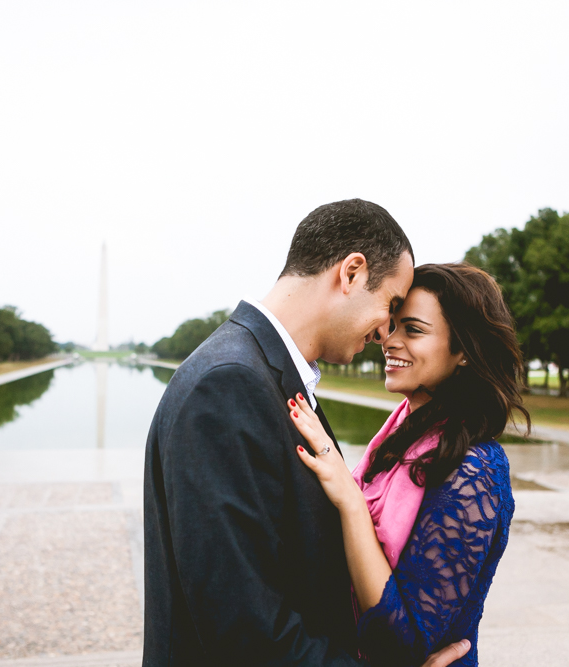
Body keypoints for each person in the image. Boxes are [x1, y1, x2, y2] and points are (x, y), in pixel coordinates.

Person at [143, 200, 469, 666]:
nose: (385, 332)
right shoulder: (229, 384)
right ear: (351, 273)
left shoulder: (260, 372)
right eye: (391, 305)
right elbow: (245, 630)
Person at [288, 263, 528, 666]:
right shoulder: (400, 436)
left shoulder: (475, 469)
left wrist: (351, 503)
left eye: (413, 330)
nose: (389, 340)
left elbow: (403, 643)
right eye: (392, 325)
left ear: (464, 352)